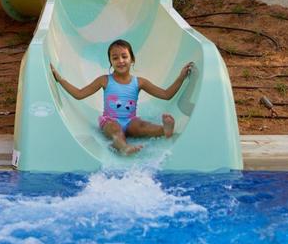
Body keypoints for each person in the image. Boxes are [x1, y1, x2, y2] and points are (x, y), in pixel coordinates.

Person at [50, 39, 193, 156]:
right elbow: (79, 94)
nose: (120, 61)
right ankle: (124, 147)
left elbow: (166, 94)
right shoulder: (104, 80)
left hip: (130, 121)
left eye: (124, 56)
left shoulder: (139, 82)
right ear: (110, 62)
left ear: (132, 59)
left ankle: (164, 130)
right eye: (115, 58)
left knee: (142, 126)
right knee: (115, 130)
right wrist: (60, 79)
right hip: (110, 121)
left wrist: (181, 77)